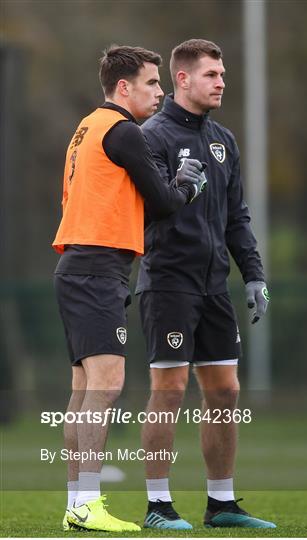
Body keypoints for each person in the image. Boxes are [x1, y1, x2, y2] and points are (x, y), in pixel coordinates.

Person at [52, 44, 206, 534]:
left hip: (81, 265)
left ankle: (78, 502)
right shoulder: (123, 131)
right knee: (105, 385)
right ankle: (87, 503)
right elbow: (162, 202)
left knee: (83, 390)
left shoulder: (87, 126)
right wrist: (186, 183)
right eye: (152, 83)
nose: (161, 92)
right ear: (124, 88)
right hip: (96, 267)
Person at [136, 39, 276, 530]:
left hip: (215, 286)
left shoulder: (224, 140)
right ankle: (158, 505)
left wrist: (254, 274)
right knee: (169, 389)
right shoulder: (150, 136)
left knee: (225, 390)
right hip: (169, 281)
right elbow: (145, 213)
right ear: (183, 79)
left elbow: (236, 216)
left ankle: (222, 504)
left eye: (223, 73)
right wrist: (176, 187)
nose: (221, 82)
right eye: (212, 74)